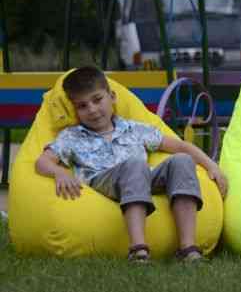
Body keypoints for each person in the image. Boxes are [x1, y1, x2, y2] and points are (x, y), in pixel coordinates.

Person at [35, 66, 228, 263]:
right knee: (135, 164)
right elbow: (42, 162)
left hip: (144, 176)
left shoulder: (134, 129)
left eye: (97, 99)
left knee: (182, 160)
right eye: (82, 106)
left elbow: (179, 145)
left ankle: (188, 249)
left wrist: (211, 165)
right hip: (104, 182)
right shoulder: (71, 136)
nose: (92, 109)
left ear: (112, 97)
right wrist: (59, 172)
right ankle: (138, 249)